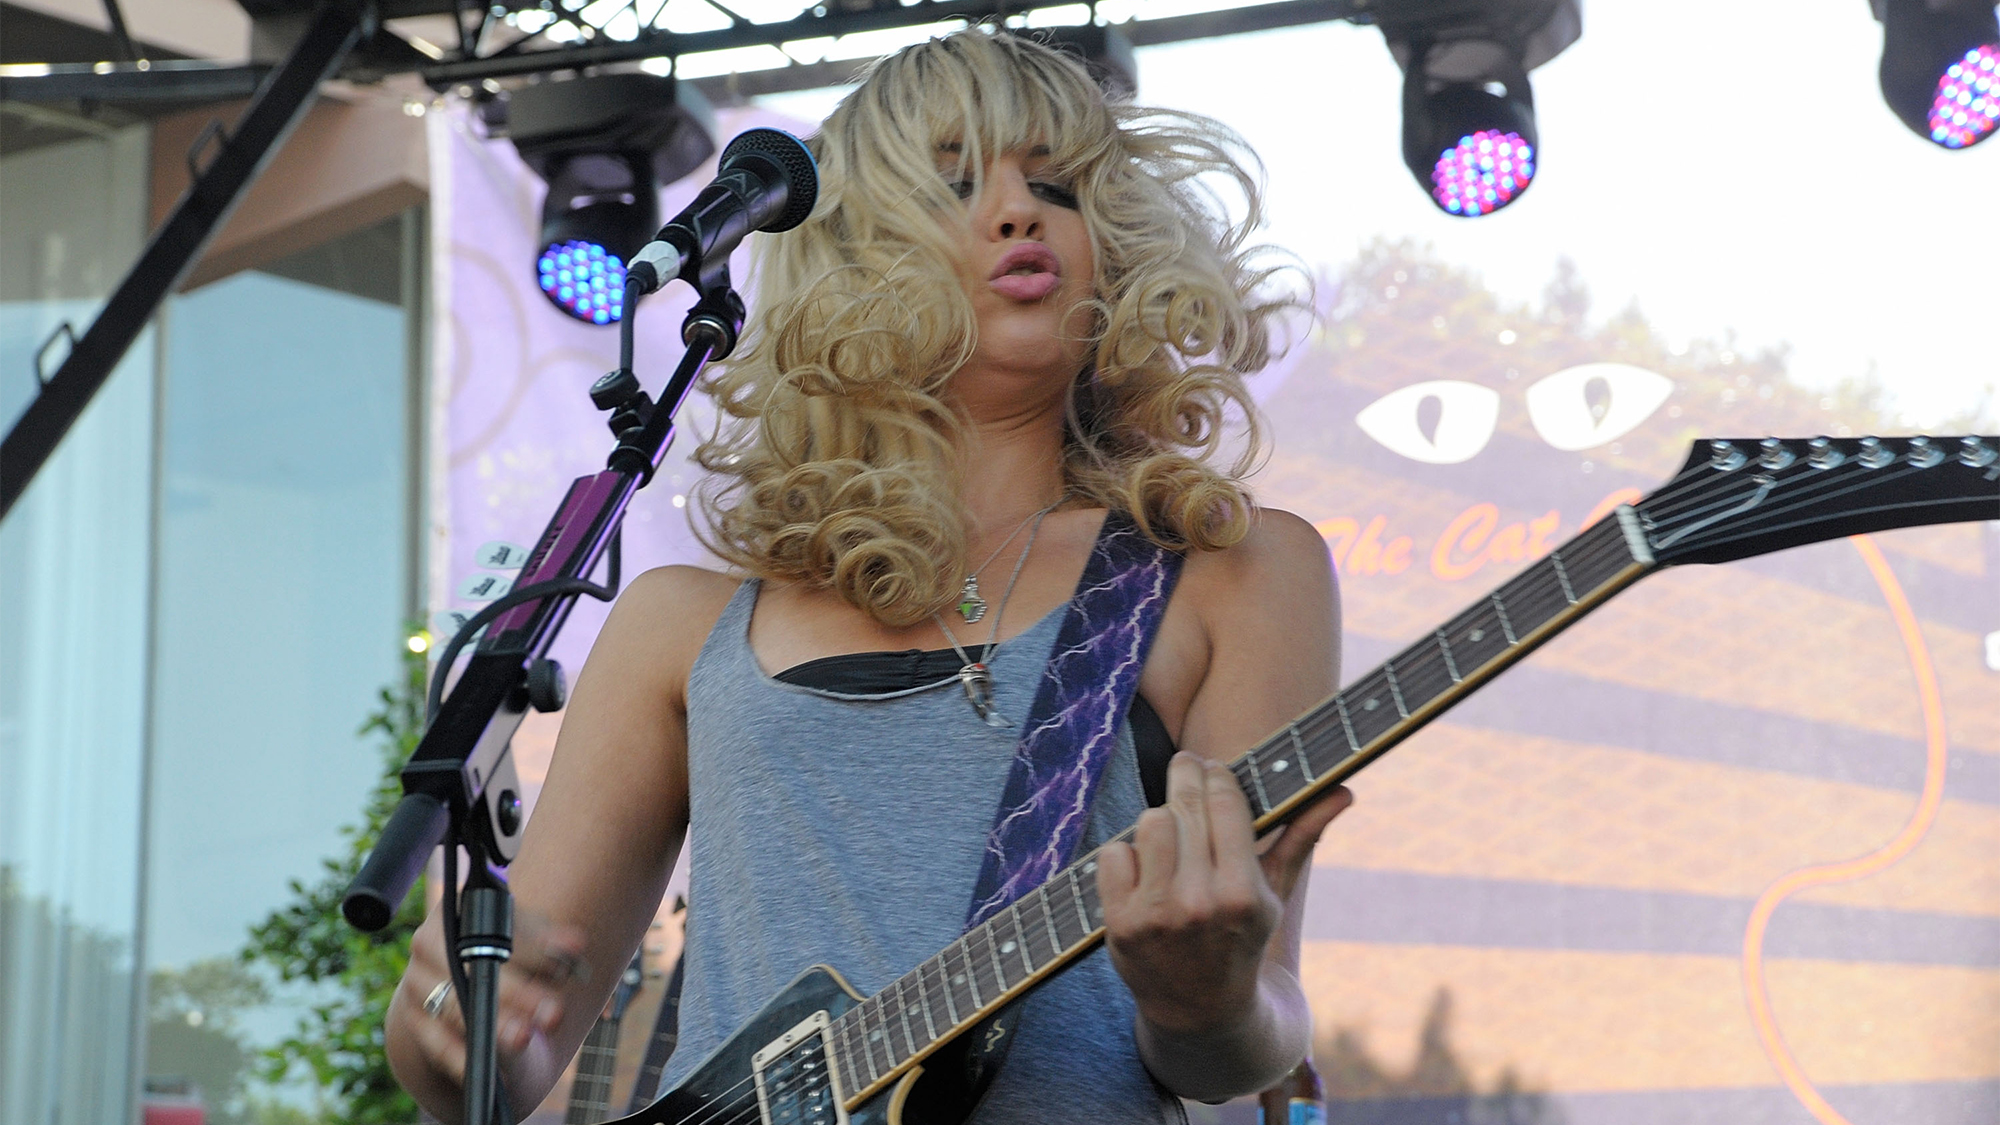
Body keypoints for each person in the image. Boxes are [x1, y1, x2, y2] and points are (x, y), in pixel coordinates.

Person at [386, 28, 1350, 1124]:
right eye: (951, 184)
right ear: (852, 256)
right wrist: (448, 1030)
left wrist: (1205, 999)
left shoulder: (1233, 572)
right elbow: (514, 1053)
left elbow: (1248, 1037)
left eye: (1056, 186)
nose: (1017, 212)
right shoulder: (675, 626)